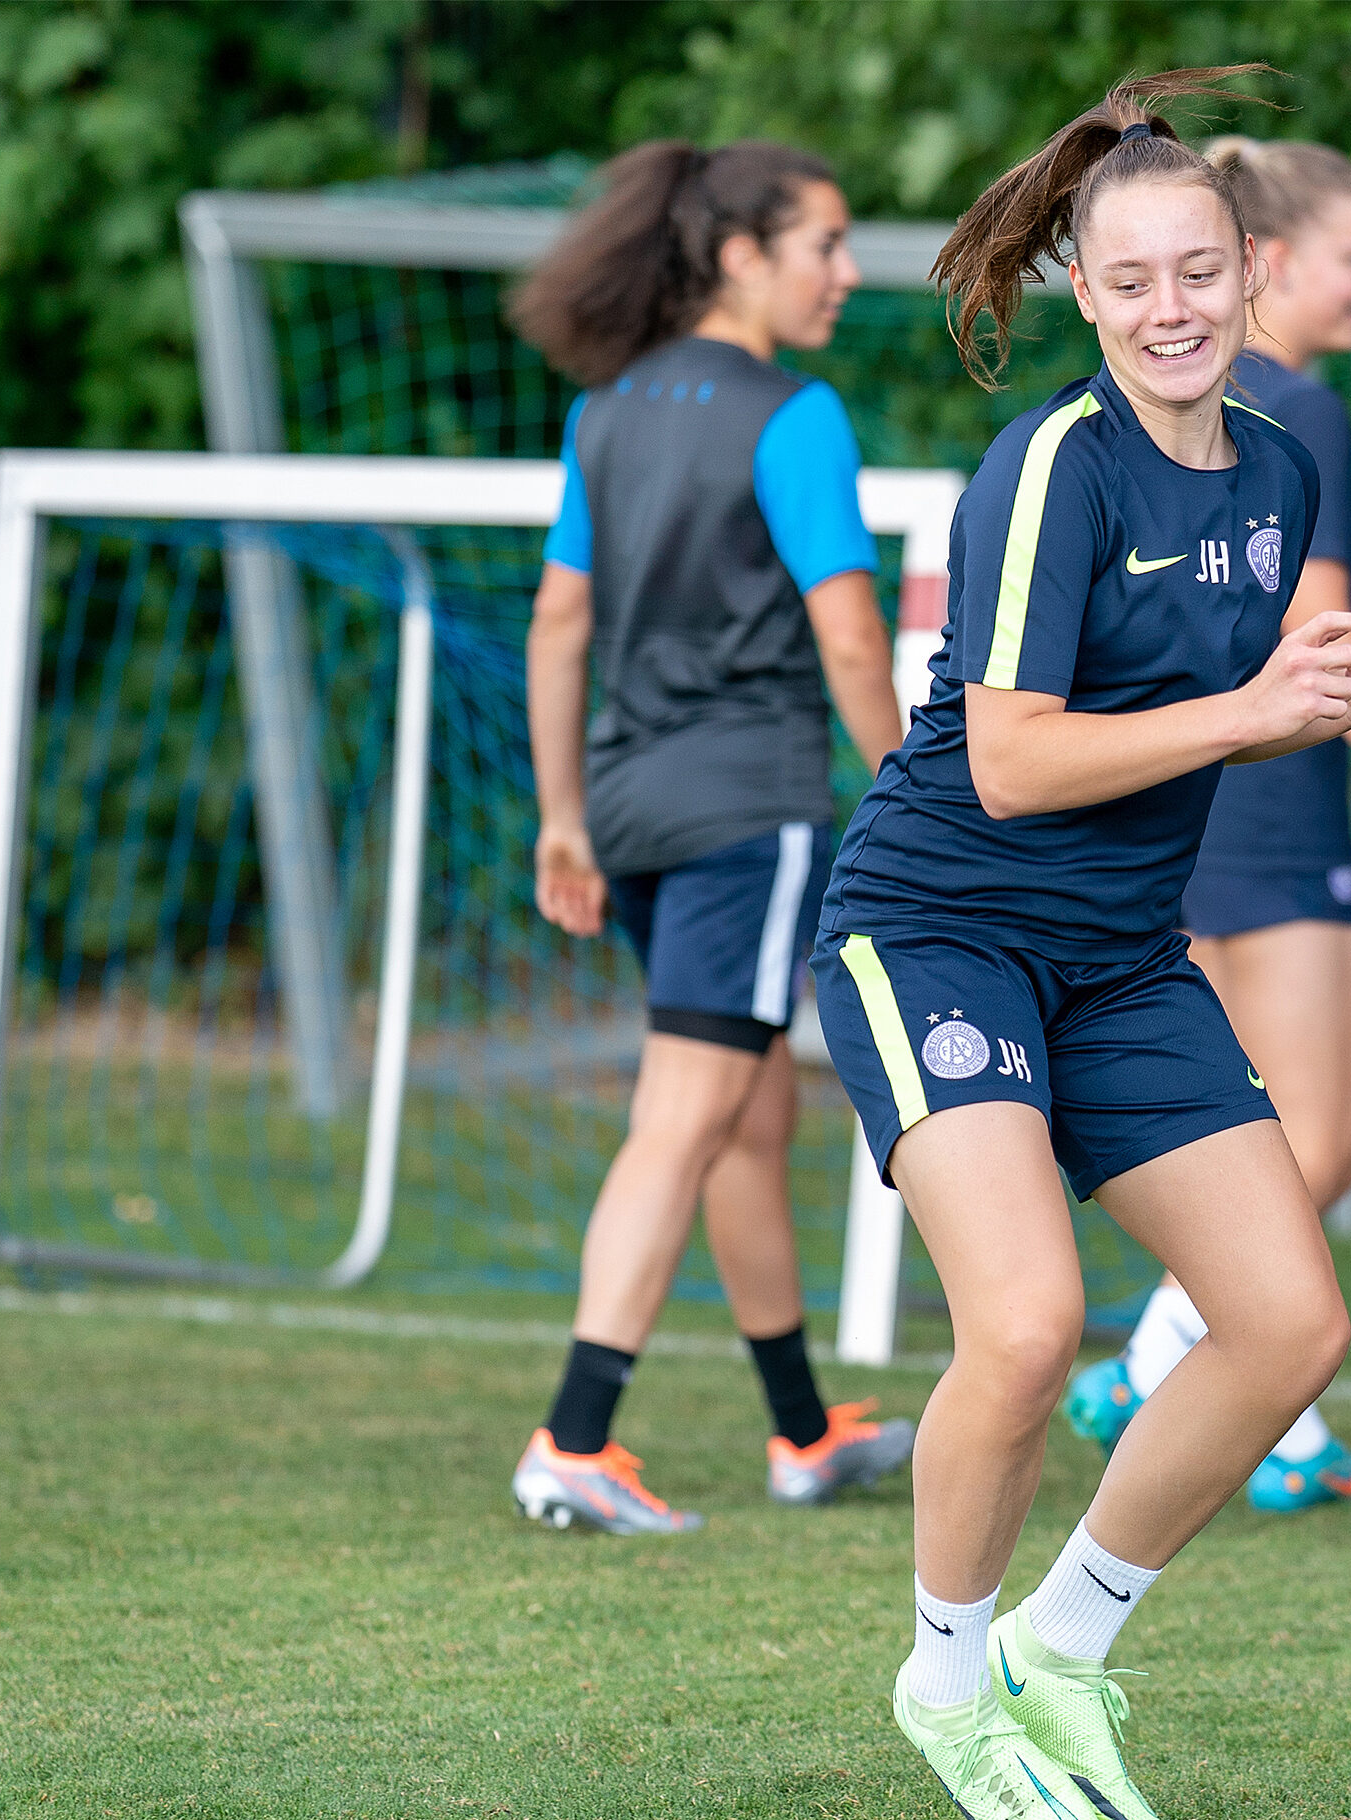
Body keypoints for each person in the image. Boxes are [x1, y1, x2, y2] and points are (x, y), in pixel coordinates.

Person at [811, 72, 1351, 1820]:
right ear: (1086, 293)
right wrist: (1279, 706)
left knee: (1291, 1324)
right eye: (1132, 284)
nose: (1172, 309)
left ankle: (1062, 1649)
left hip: (1120, 959)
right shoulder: (1054, 464)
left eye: (1199, 272)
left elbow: (1243, 682)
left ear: (1247, 271)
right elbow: (1012, 760)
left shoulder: (1277, 471)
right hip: (941, 926)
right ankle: (950, 1678)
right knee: (1032, 1327)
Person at [1065, 134, 1351, 1512]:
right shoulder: (1291, 407)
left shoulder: (1179, 408)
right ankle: (1155, 1362)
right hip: (1263, 801)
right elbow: (1310, 640)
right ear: (1277, 264)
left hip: (1184, 804)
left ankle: (1257, 1417)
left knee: (1258, 1129)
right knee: (1308, 1142)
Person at [502, 140, 915, 1534]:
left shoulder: (608, 411)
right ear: (742, 255)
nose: (847, 273)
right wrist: (922, 789)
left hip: (628, 808)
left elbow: (558, 623)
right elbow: (850, 631)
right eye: (827, 245)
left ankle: (803, 1432)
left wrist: (565, 814)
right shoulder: (792, 415)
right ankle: (574, 1436)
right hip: (747, 810)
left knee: (750, 1112)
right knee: (684, 1117)